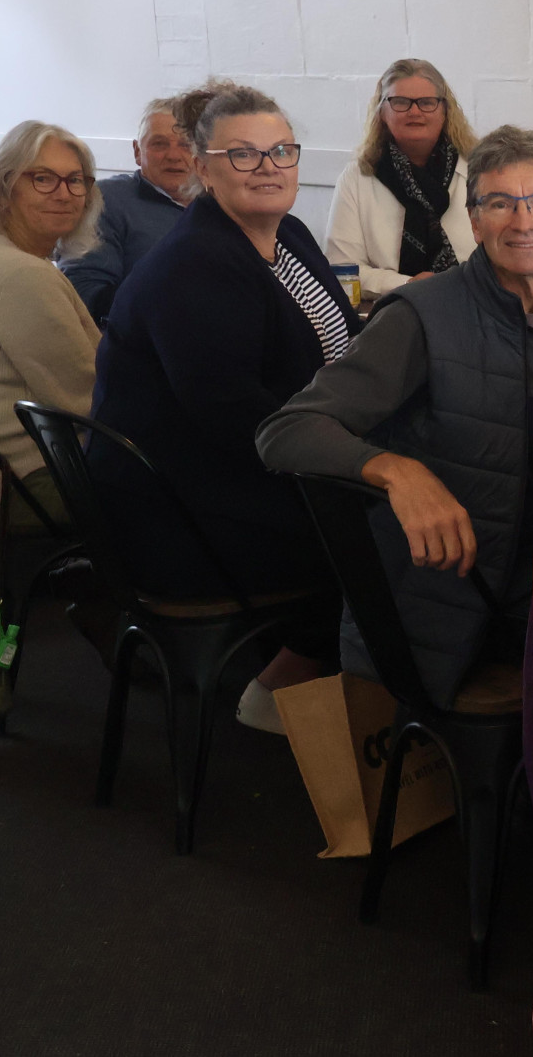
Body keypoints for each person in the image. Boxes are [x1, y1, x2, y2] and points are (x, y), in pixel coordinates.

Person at [259, 127, 533, 706]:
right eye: (499, 203)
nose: (523, 221)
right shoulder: (422, 316)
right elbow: (285, 431)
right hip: (469, 603)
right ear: (475, 220)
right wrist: (398, 472)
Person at [90, 84, 358, 731]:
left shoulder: (286, 234)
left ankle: (334, 678)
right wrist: (365, 459)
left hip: (241, 470)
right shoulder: (196, 264)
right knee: (386, 530)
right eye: (242, 154)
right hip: (182, 511)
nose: (267, 166)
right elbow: (238, 420)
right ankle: (286, 685)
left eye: (281, 151)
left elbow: (351, 340)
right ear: (203, 168)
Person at [0, 121, 101, 529]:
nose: (64, 194)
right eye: (42, 178)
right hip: (28, 485)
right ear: (4, 188)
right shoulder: (19, 274)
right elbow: (90, 399)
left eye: (75, 180)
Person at [324, 58, 479, 301]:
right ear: (382, 111)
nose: (414, 111)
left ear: (445, 110)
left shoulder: (478, 171)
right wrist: (407, 284)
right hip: (390, 312)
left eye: (427, 103)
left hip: (473, 307)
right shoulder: (357, 177)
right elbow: (343, 270)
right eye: (400, 102)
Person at [60, 96, 196, 321]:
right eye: (159, 144)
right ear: (137, 151)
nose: (173, 155)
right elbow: (85, 291)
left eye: (185, 145)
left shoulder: (222, 201)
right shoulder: (106, 200)